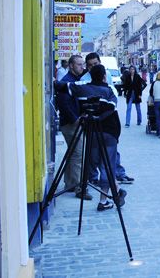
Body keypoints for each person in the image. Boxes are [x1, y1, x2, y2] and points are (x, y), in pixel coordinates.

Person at [64, 65, 127, 212]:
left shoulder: (82, 88)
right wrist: (99, 115)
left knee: (98, 163)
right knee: (107, 165)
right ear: (104, 76)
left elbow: (63, 87)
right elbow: (111, 108)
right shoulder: (110, 90)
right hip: (109, 131)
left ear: (90, 76)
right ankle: (104, 200)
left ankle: (115, 191)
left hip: (92, 130)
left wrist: (83, 114)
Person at [54, 55, 91, 200]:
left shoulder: (76, 79)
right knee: (78, 155)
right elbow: (63, 103)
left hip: (72, 122)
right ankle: (79, 187)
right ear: (71, 66)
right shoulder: (67, 81)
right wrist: (76, 120)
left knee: (72, 153)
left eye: (82, 64)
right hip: (71, 124)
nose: (82, 67)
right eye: (79, 64)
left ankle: (70, 183)